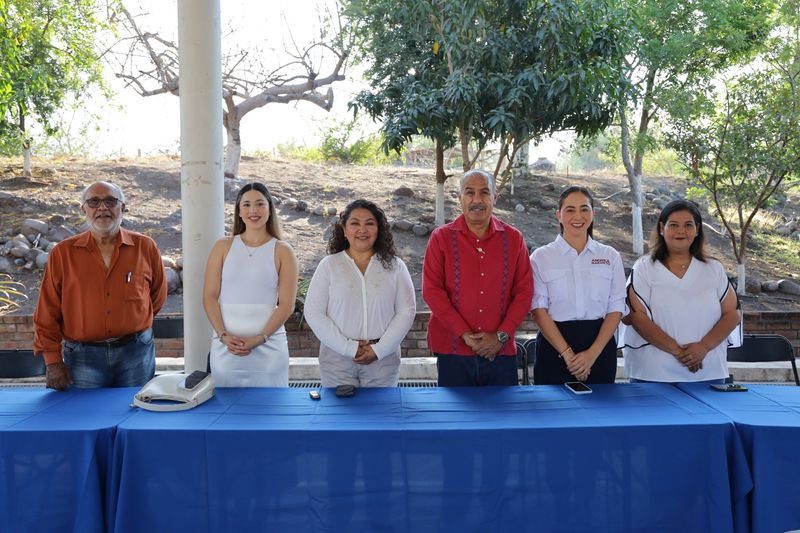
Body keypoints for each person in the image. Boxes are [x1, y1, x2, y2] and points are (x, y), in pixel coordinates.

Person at [33, 181, 167, 390]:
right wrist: (52, 361)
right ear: (83, 209)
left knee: (137, 415)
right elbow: (47, 309)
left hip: (136, 353)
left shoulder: (145, 247)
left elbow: (157, 296)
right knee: (86, 420)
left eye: (110, 201)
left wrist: (134, 320)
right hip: (83, 358)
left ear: (122, 207)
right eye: (94, 201)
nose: (102, 208)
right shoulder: (63, 253)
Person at [423, 169, 533, 387]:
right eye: (469, 192)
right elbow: (432, 291)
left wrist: (500, 337)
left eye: (484, 192)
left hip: (500, 353)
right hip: (452, 352)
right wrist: (464, 334)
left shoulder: (513, 239)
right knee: (456, 420)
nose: (477, 200)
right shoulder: (441, 238)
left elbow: (524, 292)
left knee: (503, 419)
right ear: (460, 198)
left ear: (494, 197)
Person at [621, 199, 740, 383]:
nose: (681, 231)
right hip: (652, 372)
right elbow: (637, 316)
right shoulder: (644, 268)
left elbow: (732, 314)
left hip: (707, 371)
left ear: (697, 229)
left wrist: (703, 347)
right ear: (662, 228)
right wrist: (679, 352)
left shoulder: (714, 269)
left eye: (688, 225)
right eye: (674, 225)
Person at [304, 199, 416, 387]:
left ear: (379, 229)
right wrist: (349, 348)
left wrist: (379, 350)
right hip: (337, 360)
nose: (362, 230)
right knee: (340, 415)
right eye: (355, 223)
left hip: (383, 361)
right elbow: (314, 313)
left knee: (379, 415)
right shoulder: (329, 266)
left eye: (369, 224)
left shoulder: (396, 267)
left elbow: (406, 312)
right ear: (345, 230)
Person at [203, 182, 298, 387]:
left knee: (270, 412)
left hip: (269, 349)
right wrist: (223, 335)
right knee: (225, 411)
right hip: (225, 347)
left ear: (270, 209)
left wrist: (260, 338)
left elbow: (287, 305)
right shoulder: (222, 246)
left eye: (259, 204)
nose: (253, 210)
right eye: (246, 204)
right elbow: (209, 297)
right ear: (238, 211)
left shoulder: (283, 250)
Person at [530, 186, 626, 384]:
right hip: (554, 348)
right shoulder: (540, 258)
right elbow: (538, 310)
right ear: (558, 215)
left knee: (600, 412)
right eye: (570, 210)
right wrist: (568, 355)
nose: (578, 216)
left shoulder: (610, 256)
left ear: (593, 214)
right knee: (555, 412)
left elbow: (616, 307)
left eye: (584, 209)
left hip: (600, 347)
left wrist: (592, 354)